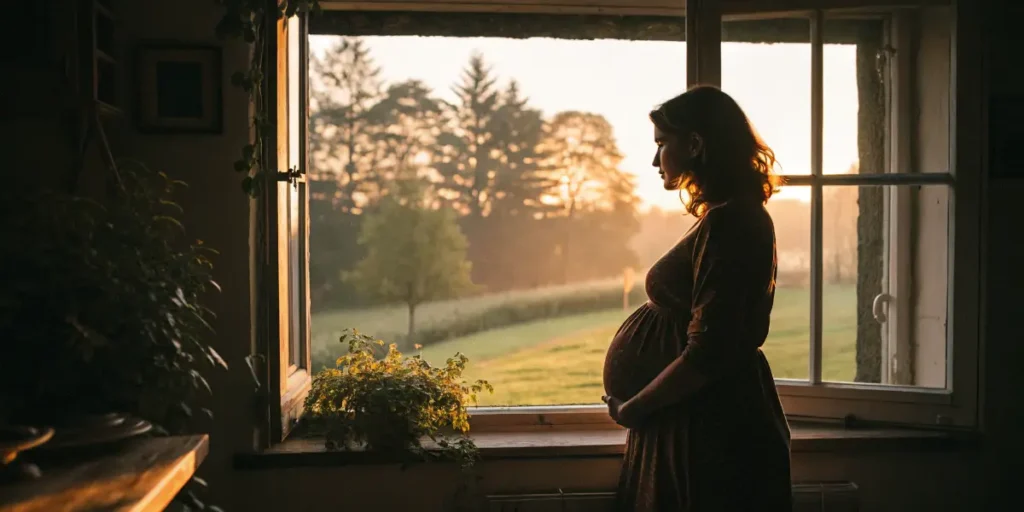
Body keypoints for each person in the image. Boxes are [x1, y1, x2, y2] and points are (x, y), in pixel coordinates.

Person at [601, 85, 792, 512]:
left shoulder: (732, 223)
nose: (655, 160)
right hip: (692, 423)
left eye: (662, 145)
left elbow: (710, 350)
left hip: (709, 432)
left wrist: (635, 408)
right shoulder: (723, 216)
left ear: (695, 144)